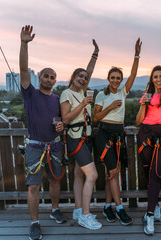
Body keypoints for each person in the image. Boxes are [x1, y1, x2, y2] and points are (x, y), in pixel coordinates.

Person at [19, 25, 67, 240]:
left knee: (55, 181)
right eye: (46, 76)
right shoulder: (30, 94)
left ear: (55, 81)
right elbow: (22, 69)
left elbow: (61, 120)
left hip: (55, 144)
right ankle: (35, 223)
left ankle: (55, 210)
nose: (49, 79)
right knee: (34, 187)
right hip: (35, 146)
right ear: (40, 77)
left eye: (52, 77)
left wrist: (61, 126)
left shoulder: (57, 99)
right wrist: (24, 43)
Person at [93, 38, 142, 226]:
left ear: (121, 81)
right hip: (104, 135)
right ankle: (120, 208)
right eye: (112, 77)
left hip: (119, 137)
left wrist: (136, 54)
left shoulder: (123, 92)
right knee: (113, 171)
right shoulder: (102, 95)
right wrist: (111, 107)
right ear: (108, 79)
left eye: (118, 78)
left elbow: (134, 73)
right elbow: (96, 118)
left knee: (113, 173)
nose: (115, 80)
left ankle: (107, 206)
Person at [136, 29, 161, 236]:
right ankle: (156, 206)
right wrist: (143, 104)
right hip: (144, 137)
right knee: (148, 174)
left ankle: (150, 215)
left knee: (155, 174)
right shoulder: (147, 95)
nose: (159, 79)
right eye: (156, 76)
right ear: (152, 79)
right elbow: (137, 121)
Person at [60, 40, 102, 230]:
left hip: (86, 137)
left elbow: (90, 70)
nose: (83, 79)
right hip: (75, 137)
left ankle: (78, 210)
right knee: (92, 175)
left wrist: (95, 54)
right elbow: (66, 119)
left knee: (79, 174)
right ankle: (86, 215)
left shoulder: (83, 91)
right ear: (73, 77)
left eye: (85, 78)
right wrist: (83, 104)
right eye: (80, 76)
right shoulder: (66, 94)